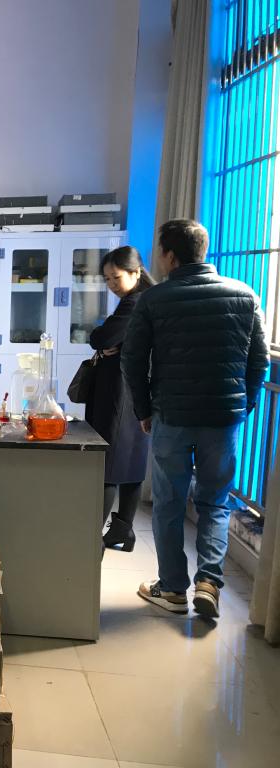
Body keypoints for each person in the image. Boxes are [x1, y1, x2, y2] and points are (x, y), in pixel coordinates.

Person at [122, 219, 268, 619]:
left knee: (169, 503)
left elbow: (133, 358)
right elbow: (258, 361)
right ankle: (209, 582)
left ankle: (172, 589)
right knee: (215, 502)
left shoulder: (155, 299)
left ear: (170, 256)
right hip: (223, 419)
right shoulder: (244, 295)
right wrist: (243, 405)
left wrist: (143, 410)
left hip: (172, 416)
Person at [85, 246, 155, 552]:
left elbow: (101, 337)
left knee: (110, 464)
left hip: (122, 392)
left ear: (136, 273)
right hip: (136, 390)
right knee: (131, 461)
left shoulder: (135, 303)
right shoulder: (144, 299)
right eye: (107, 279)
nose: (111, 284)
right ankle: (122, 531)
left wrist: (105, 341)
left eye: (116, 277)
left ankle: (91, 540)